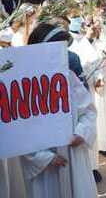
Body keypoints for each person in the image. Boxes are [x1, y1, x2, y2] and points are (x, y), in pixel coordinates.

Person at [21, 23, 97, 198]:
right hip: (46, 168)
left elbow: (88, 111)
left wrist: (81, 133)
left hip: (74, 155)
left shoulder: (69, 77)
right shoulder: (25, 86)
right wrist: (43, 158)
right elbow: (20, 129)